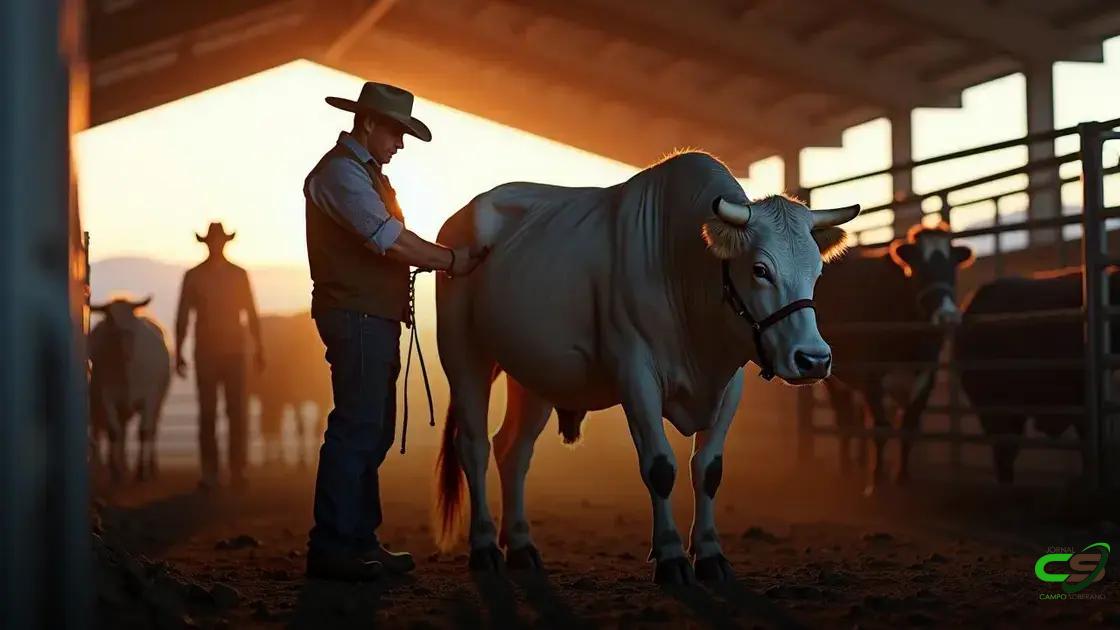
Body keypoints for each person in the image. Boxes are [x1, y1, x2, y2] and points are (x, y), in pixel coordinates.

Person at [304, 81, 487, 581]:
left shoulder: (361, 175)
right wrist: (451, 260)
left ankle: (357, 538)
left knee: (373, 428)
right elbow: (387, 239)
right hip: (357, 316)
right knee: (358, 427)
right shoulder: (341, 175)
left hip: (371, 316)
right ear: (367, 124)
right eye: (395, 132)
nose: (399, 144)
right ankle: (336, 544)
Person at [175, 221, 264, 492]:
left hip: (229, 351)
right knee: (210, 413)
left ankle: (235, 470)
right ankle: (215, 472)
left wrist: (259, 347)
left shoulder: (207, 276)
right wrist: (178, 350)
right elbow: (182, 316)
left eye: (219, 240)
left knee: (234, 413)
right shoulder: (224, 275)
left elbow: (250, 312)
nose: (217, 245)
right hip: (213, 351)